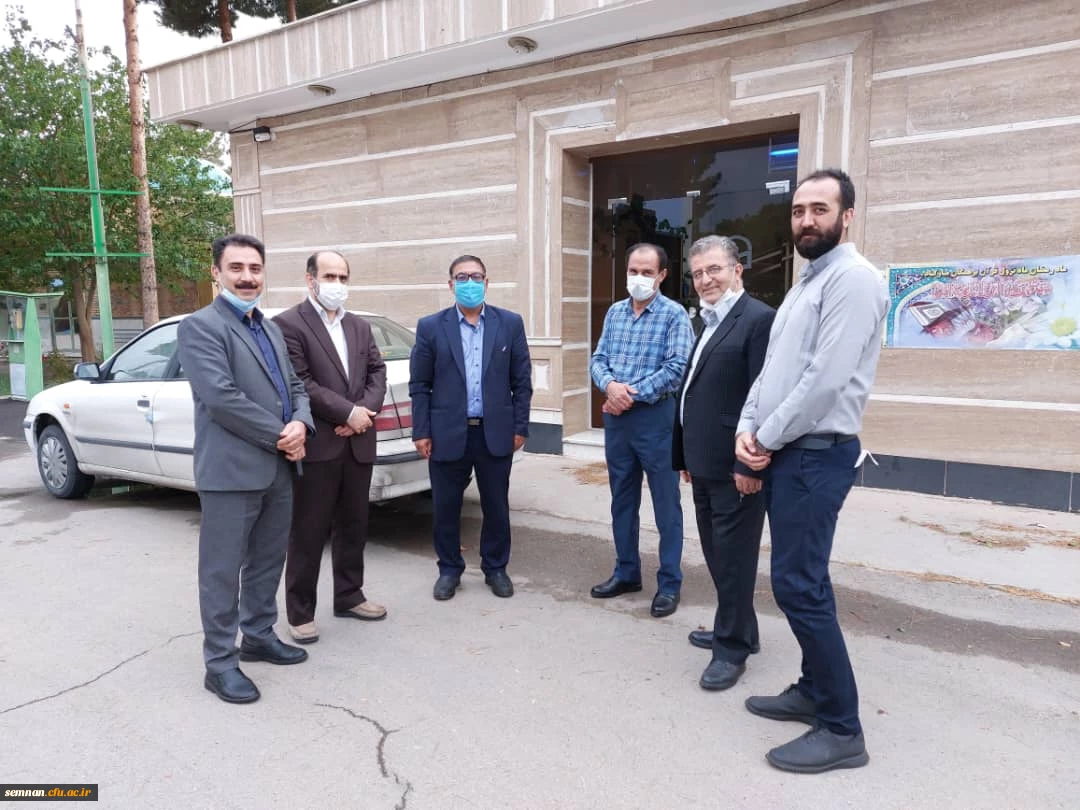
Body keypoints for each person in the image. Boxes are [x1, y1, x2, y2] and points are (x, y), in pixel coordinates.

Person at [736, 168, 889, 773]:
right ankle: (812, 690)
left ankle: (842, 728)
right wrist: (748, 427)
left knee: (800, 586)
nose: (806, 220)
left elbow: (824, 381)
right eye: (799, 210)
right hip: (788, 449)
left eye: (820, 209)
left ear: (846, 216)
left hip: (815, 453)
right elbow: (774, 370)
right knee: (801, 579)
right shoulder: (808, 282)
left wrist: (765, 438)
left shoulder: (853, 279)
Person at [177, 233, 315, 704]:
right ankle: (219, 663)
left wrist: (301, 423)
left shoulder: (269, 327)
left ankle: (258, 635)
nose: (247, 277)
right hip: (230, 473)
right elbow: (221, 398)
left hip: (278, 469)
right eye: (236, 268)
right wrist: (282, 434)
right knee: (221, 571)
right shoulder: (201, 327)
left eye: (255, 268)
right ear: (216, 273)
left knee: (267, 560)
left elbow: (296, 386)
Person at [672, 235, 774, 691]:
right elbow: (694, 392)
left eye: (714, 269)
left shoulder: (758, 320)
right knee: (718, 555)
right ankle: (742, 630)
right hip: (704, 463)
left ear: (737, 270)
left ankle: (731, 650)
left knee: (733, 561)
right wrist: (684, 455)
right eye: (697, 273)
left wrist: (751, 466)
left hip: (736, 467)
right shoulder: (709, 321)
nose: (705, 279)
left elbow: (764, 397)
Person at [274, 250, 388, 645]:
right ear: (310, 280)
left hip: (358, 442)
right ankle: (300, 612)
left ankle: (349, 595)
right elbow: (300, 381)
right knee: (308, 532)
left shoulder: (359, 326)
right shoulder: (288, 324)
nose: (337, 284)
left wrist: (363, 412)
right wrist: (346, 413)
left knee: (354, 525)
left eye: (342, 277)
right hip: (318, 445)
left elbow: (377, 372)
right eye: (329, 276)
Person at [408, 255, 532, 601]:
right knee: (445, 508)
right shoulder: (431, 327)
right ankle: (449, 569)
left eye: (476, 276)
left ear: (487, 282)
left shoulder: (509, 324)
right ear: (451, 285)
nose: (469, 283)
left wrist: (520, 426)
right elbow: (420, 385)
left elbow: (522, 382)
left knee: (496, 506)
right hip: (447, 432)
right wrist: (421, 431)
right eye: (461, 277)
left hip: (495, 432)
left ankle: (496, 568)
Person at [588, 243, 693, 617]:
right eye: (634, 271)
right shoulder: (615, 313)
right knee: (622, 499)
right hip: (618, 423)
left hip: (655, 420)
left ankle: (669, 583)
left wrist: (628, 395)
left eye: (647, 272)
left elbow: (677, 368)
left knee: (666, 504)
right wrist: (610, 386)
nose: (639, 278)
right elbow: (598, 359)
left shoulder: (674, 315)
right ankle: (627, 572)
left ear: (662, 275)